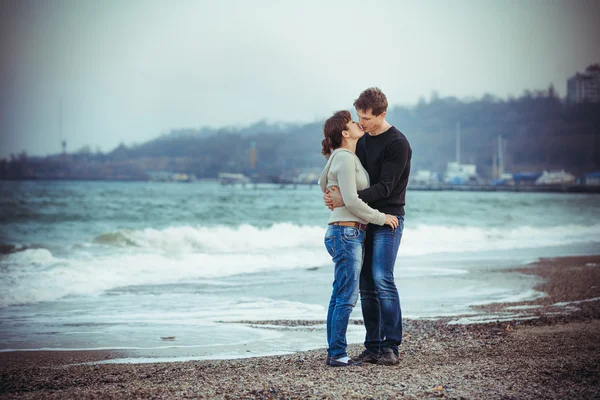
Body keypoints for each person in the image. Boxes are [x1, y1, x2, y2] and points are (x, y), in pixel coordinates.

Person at [325, 87, 412, 366]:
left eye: (367, 118)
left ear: (382, 114)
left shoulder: (397, 143)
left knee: (381, 277)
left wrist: (347, 199)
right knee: (365, 285)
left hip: (389, 218)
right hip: (364, 220)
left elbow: (385, 189)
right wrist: (335, 195)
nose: (361, 123)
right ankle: (372, 345)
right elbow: (348, 176)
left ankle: (390, 346)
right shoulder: (361, 142)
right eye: (359, 117)